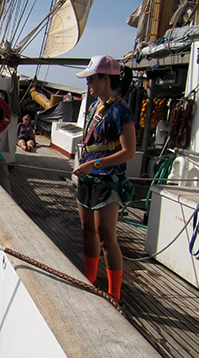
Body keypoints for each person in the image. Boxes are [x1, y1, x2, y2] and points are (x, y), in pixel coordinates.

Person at [72, 55, 135, 304]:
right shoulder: (93, 107)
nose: (88, 85)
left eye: (91, 79)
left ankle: (114, 294)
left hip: (107, 179)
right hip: (89, 177)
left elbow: (128, 152)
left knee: (106, 235)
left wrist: (94, 163)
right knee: (87, 230)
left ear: (106, 78)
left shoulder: (121, 111)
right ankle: (90, 279)